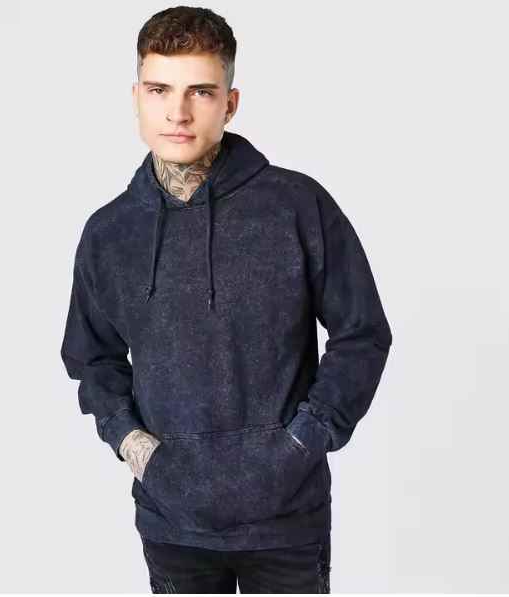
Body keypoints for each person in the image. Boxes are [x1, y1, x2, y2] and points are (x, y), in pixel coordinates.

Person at [60, 5, 393, 593]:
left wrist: (305, 440)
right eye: (160, 89)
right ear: (136, 97)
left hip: (286, 521)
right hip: (172, 521)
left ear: (230, 103)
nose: (178, 112)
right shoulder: (109, 233)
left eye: (201, 91)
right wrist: (135, 446)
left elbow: (361, 334)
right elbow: (92, 358)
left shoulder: (297, 205)